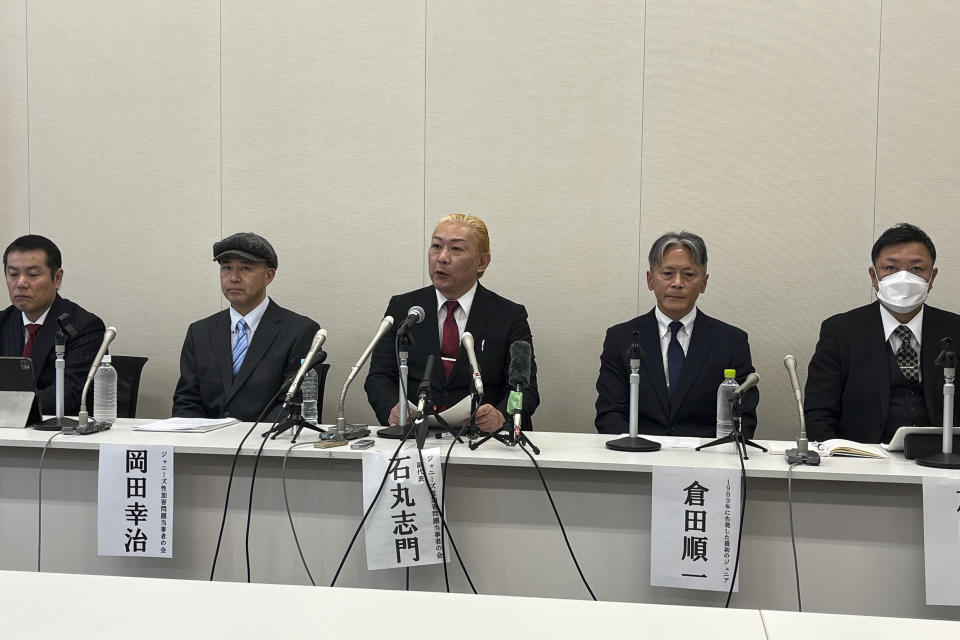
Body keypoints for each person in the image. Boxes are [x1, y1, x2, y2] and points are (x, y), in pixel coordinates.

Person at [364, 213, 539, 432]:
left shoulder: (508, 315)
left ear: (482, 262)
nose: (442, 257)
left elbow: (524, 389)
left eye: (456, 249)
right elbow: (379, 376)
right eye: (436, 246)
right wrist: (392, 408)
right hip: (416, 436)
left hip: (481, 440)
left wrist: (501, 416)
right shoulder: (404, 308)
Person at [805, 223, 960, 443]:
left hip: (942, 461)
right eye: (891, 268)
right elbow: (818, 414)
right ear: (873, 276)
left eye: (917, 269)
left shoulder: (954, 330)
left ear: (932, 277)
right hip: (862, 463)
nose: (904, 279)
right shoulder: (840, 331)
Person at [595, 231, 758, 438]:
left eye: (688, 275)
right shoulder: (621, 338)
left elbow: (744, 418)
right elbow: (609, 414)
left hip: (707, 461)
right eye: (667, 274)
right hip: (638, 457)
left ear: (704, 283)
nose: (677, 283)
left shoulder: (732, 342)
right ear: (650, 280)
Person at [172, 232, 320, 422]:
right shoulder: (200, 331)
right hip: (208, 444)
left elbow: (292, 404)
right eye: (226, 268)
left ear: (268, 276)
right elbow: (186, 401)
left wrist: (244, 436)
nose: (233, 277)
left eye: (245, 268)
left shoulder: (300, 331)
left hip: (264, 443)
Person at [1, 235, 105, 415]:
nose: (21, 283)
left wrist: (9, 407)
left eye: (32, 275)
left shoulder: (83, 327)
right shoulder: (4, 322)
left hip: (57, 436)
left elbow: (70, 394)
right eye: (13, 274)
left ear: (57, 278)